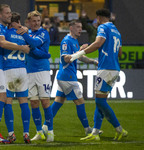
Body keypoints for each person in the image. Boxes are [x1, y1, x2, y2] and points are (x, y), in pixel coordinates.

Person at [70, 8, 128, 141]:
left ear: (100, 18)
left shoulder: (103, 27)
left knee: (100, 101)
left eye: (97, 18)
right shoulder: (116, 31)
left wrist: (80, 53)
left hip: (106, 68)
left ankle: (119, 129)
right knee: (100, 102)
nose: (97, 21)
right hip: (115, 68)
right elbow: (120, 53)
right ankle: (95, 132)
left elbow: (98, 43)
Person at [0, 4, 30, 144]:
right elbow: (2, 43)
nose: (9, 15)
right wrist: (22, 48)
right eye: (7, 13)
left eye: (10, 13)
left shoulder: (3, 28)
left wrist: (25, 28)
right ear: (0, 15)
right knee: (2, 97)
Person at [42, 20, 98, 136]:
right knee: (80, 102)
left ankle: (44, 127)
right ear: (71, 28)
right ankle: (87, 129)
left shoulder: (75, 41)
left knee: (58, 102)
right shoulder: (66, 41)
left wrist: (93, 61)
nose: (80, 29)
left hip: (66, 76)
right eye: (77, 27)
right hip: (68, 77)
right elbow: (66, 59)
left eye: (81, 27)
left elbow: (79, 57)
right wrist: (80, 51)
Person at [16, 10, 54, 142]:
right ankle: (39, 131)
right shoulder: (28, 34)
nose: (37, 23)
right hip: (29, 71)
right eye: (34, 21)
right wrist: (44, 54)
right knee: (33, 102)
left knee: (45, 102)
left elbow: (34, 45)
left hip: (42, 71)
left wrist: (30, 45)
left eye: (38, 20)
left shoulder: (43, 32)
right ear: (29, 22)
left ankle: (50, 131)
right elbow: (39, 51)